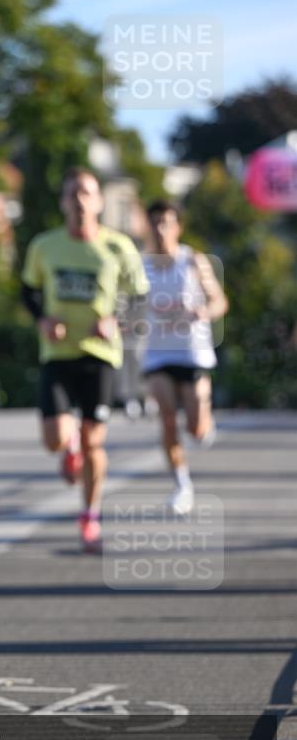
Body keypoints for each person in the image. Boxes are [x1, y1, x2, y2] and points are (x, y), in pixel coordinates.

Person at [21, 167, 149, 550]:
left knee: (96, 441)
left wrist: (116, 320)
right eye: (72, 192)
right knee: (54, 439)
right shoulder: (45, 245)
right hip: (57, 353)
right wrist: (44, 319)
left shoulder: (118, 247)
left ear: (98, 202)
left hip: (100, 355)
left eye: (87, 192)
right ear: (63, 202)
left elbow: (140, 297)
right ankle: (69, 448)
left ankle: (90, 517)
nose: (79, 199)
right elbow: (29, 291)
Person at [141, 200, 228, 515]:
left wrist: (206, 311)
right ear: (147, 227)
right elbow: (127, 307)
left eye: (166, 222)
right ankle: (181, 485)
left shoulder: (193, 261)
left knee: (196, 429)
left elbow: (220, 301)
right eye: (154, 223)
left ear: (177, 226)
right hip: (157, 354)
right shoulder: (140, 266)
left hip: (192, 352)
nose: (160, 229)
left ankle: (204, 423)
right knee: (166, 418)